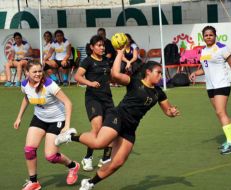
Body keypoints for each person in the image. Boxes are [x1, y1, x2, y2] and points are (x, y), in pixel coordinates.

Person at [55, 48, 180, 190]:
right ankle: (70, 136)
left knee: (117, 162)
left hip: (130, 128)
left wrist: (172, 111)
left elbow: (167, 111)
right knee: (99, 143)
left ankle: (89, 183)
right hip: (118, 117)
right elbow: (114, 74)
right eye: (158, 72)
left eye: (161, 73)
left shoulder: (158, 92)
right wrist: (120, 53)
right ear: (148, 72)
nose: (160, 76)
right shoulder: (134, 82)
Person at [14, 61, 80, 190]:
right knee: (29, 150)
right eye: (34, 72)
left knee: (51, 156)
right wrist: (19, 117)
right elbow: (27, 98)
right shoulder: (24, 84)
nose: (38, 74)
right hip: (39, 118)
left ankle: (72, 166)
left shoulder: (49, 84)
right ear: (27, 73)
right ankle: (34, 182)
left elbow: (68, 103)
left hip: (57, 120)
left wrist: (67, 125)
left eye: (40, 71)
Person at [189, 25, 231, 155]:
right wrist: (195, 73)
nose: (208, 37)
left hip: (222, 84)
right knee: (219, 113)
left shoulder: (222, 48)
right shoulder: (203, 51)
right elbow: (205, 68)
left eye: (211, 35)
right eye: (206, 35)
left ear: (215, 36)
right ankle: (229, 140)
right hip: (210, 86)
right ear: (203, 37)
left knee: (220, 112)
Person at [74, 35, 114, 171]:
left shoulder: (107, 61)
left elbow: (111, 76)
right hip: (93, 98)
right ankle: (87, 158)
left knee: (112, 129)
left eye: (103, 45)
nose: (102, 47)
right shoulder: (87, 61)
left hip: (107, 98)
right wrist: (90, 83)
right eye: (99, 45)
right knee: (97, 129)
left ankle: (106, 158)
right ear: (92, 47)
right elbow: (77, 76)